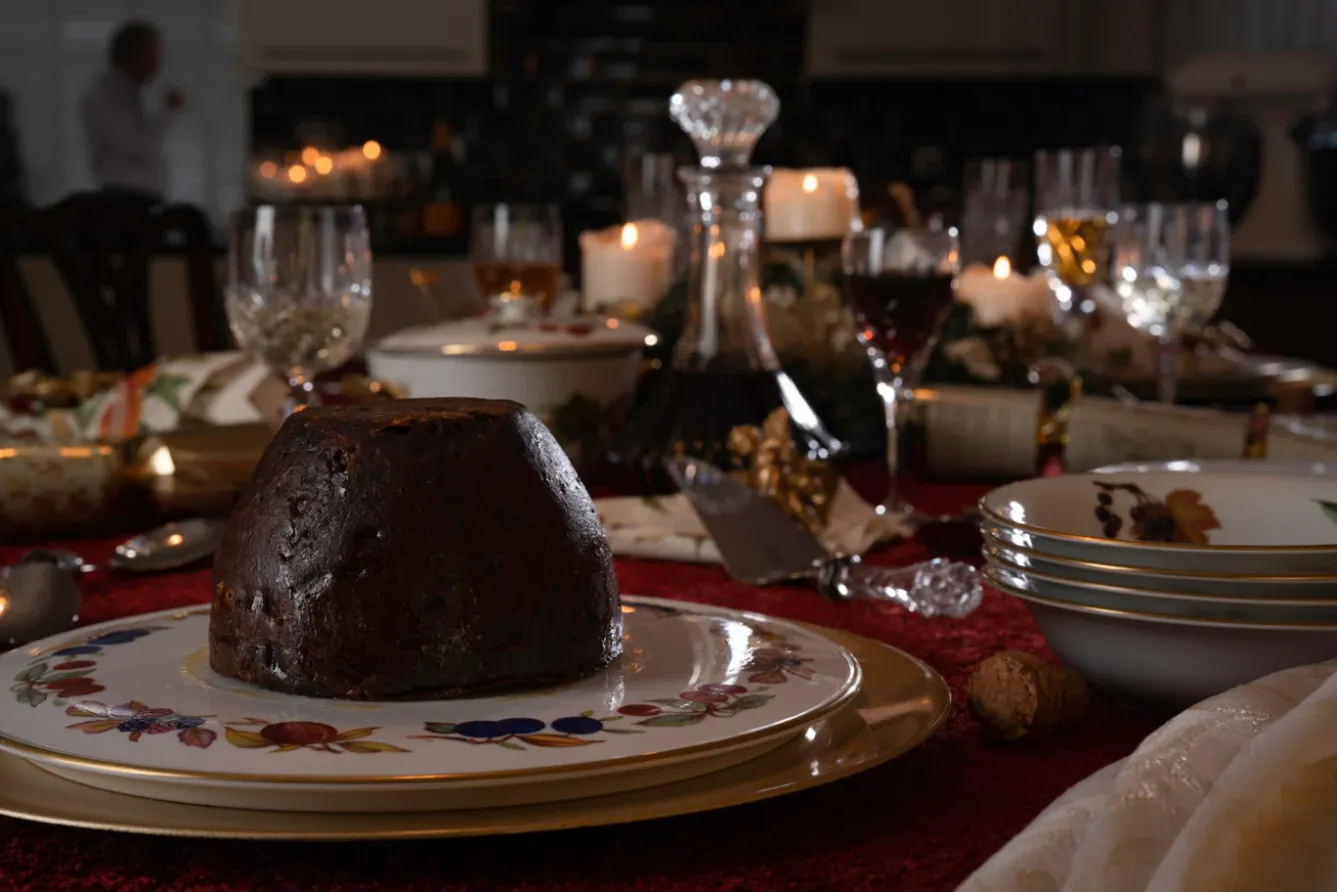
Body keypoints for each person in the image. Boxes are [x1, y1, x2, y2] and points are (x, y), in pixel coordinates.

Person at [79, 20, 184, 206]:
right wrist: (167, 112)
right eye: (151, 55)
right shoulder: (105, 96)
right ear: (132, 54)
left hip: (139, 198)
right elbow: (136, 146)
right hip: (125, 200)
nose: (157, 64)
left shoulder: (130, 94)